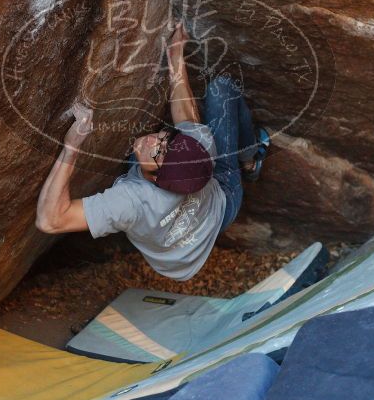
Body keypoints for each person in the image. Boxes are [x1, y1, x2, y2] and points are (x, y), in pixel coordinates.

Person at [36, 22, 270, 281]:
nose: (152, 140)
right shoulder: (198, 146)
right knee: (222, 89)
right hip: (213, 212)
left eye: (157, 153)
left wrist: (71, 147)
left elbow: (50, 221)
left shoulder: (131, 201)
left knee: (130, 157)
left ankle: (250, 161)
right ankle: (250, 158)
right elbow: (185, 116)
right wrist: (175, 55)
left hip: (208, 220)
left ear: (159, 181)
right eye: (166, 140)